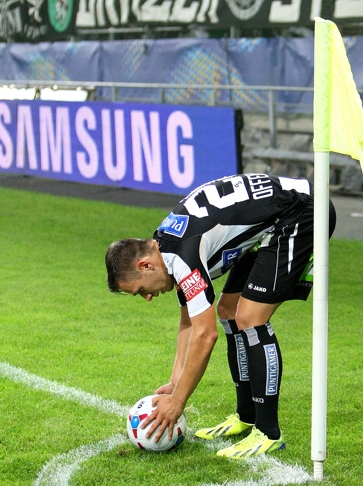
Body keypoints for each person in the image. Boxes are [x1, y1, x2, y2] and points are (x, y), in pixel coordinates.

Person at [105, 173, 336, 458]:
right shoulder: (165, 244)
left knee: (251, 318)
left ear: (145, 265)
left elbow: (205, 334)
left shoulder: (180, 254)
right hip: (273, 221)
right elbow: (189, 322)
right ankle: (246, 415)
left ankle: (268, 432)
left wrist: (178, 402)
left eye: (141, 290)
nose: (148, 297)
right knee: (228, 310)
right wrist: (174, 384)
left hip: (303, 211)